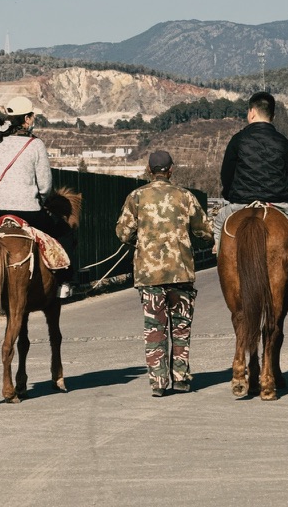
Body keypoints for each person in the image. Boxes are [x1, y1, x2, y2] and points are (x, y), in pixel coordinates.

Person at [115, 150, 214, 397]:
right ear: (171, 170)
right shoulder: (185, 196)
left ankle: (158, 382)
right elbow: (205, 231)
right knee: (181, 328)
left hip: (149, 275)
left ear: (149, 170)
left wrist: (141, 240)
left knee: (154, 328)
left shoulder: (136, 197)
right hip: (181, 272)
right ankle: (180, 378)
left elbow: (123, 233)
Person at [213, 91, 288, 296]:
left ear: (252, 112)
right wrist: (283, 193)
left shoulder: (237, 140)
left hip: (241, 203)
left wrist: (230, 195)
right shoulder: (283, 142)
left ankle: (224, 269)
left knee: (219, 225)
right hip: (280, 203)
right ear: (272, 115)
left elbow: (226, 174)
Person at [0, 95, 76, 298]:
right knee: (63, 232)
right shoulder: (35, 144)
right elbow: (45, 185)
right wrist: (39, 197)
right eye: (32, 116)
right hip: (28, 211)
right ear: (27, 119)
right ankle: (63, 281)